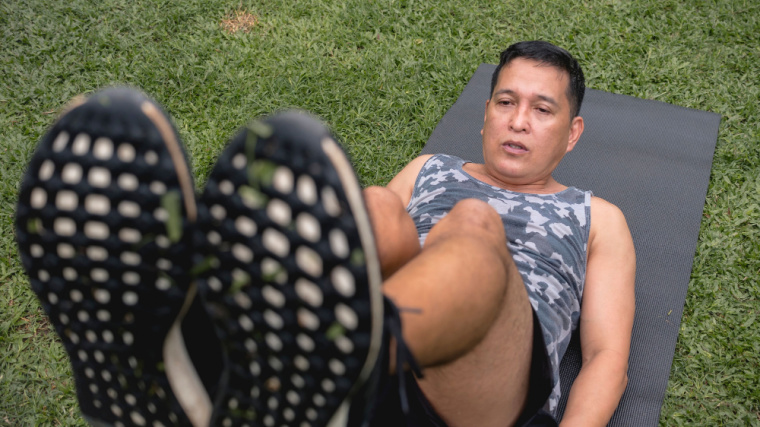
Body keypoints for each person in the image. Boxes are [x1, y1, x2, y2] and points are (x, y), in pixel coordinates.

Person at [15, 40, 634, 427]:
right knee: (375, 205)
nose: (518, 121)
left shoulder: (597, 215)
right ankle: (264, 339)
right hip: (359, 358)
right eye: (505, 101)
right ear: (484, 113)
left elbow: (606, 355)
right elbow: (361, 239)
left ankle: (296, 347)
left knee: (473, 223)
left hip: (482, 388)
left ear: (572, 132)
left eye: (541, 108)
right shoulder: (431, 168)